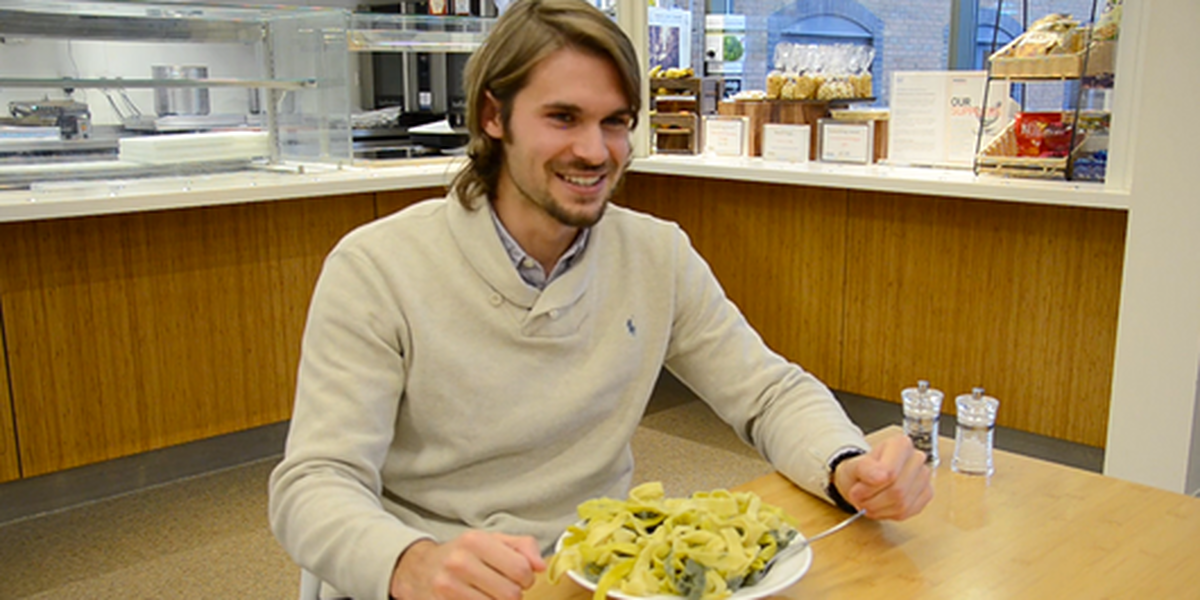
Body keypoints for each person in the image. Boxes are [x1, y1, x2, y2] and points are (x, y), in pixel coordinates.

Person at [268, 0, 933, 598]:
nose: (594, 151)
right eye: (563, 117)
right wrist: (408, 561)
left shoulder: (656, 254)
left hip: (596, 576)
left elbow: (767, 393)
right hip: (435, 579)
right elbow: (314, 483)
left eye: (615, 123)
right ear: (493, 116)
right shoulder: (378, 266)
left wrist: (847, 464)